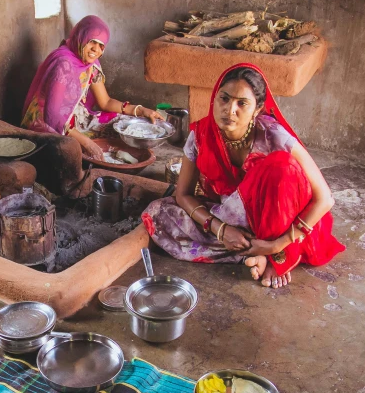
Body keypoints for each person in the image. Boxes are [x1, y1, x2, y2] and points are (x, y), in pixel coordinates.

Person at [141, 63, 344, 288]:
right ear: (214, 97)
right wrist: (221, 229)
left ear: (257, 110)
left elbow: (325, 198)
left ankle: (273, 255)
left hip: (276, 219)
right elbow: (183, 195)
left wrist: (277, 244)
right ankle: (249, 250)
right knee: (158, 212)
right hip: (231, 215)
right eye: (224, 98)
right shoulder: (201, 135)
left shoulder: (274, 136)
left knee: (282, 166)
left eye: (242, 103)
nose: (230, 110)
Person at [21, 15, 161, 160]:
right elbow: (53, 118)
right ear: (81, 38)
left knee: (121, 124)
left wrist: (140, 110)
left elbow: (105, 102)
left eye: (101, 45)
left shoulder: (90, 64)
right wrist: (86, 142)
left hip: (72, 118)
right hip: (46, 124)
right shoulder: (63, 65)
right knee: (71, 151)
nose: (96, 49)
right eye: (92, 42)